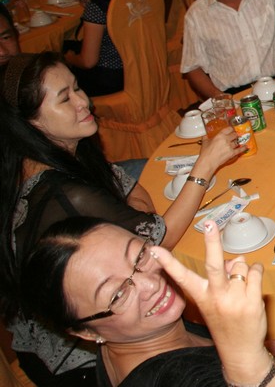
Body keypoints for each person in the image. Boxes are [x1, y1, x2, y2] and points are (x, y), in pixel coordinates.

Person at [0, 51, 243, 384]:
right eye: (64, 98)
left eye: (77, 87)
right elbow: (159, 243)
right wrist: (205, 165)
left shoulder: (54, 152)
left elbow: (131, 190)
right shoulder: (64, 194)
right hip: (82, 357)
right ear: (31, 123)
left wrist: (136, 219)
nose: (83, 101)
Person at [19, 217, 275, 387]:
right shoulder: (174, 379)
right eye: (118, 294)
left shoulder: (128, 340)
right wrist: (248, 363)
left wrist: (250, 349)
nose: (151, 284)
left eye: (139, 255)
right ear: (86, 332)